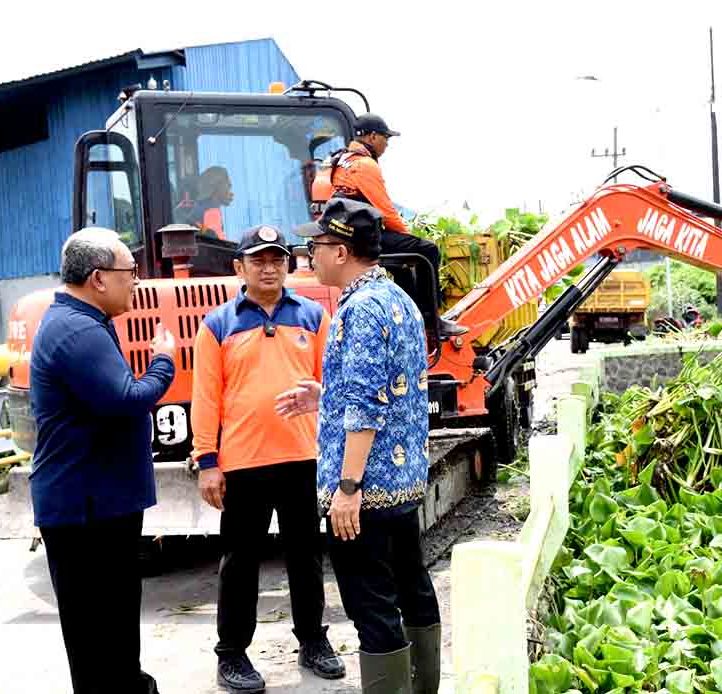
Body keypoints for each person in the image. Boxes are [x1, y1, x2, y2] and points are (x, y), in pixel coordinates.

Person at [278, 198, 442, 694]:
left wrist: (348, 487)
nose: (310, 256)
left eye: (317, 246)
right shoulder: (399, 299)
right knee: (413, 588)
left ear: (342, 250)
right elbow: (388, 390)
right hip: (402, 482)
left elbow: (368, 407)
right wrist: (325, 398)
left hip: (366, 491)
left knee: (371, 605)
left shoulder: (361, 309)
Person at [191, 224, 345, 693]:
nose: (269, 267)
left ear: (289, 264)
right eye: (258, 259)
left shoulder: (314, 317)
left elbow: (333, 385)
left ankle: (313, 641)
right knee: (240, 562)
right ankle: (232, 653)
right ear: (239, 268)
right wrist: (207, 461)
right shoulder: (217, 325)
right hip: (242, 463)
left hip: (303, 458)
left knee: (306, 556)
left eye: (277, 258)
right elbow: (206, 398)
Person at [29, 227, 176, 694]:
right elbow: (127, 398)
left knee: (110, 630)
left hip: (98, 505)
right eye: (129, 273)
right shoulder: (76, 330)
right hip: (85, 512)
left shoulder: (84, 322)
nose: (135, 281)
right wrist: (164, 362)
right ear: (98, 278)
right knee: (98, 636)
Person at [324, 112, 466, 337]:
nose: (387, 144)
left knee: (402, 266)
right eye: (385, 139)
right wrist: (408, 235)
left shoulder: (339, 161)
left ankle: (412, 315)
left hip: (347, 234)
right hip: (362, 237)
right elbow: (386, 211)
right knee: (426, 249)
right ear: (372, 137)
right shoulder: (365, 165)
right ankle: (432, 321)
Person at [177, 166, 234, 239]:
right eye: (228, 186)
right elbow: (221, 246)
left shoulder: (200, 208)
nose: (231, 193)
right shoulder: (211, 211)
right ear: (215, 186)